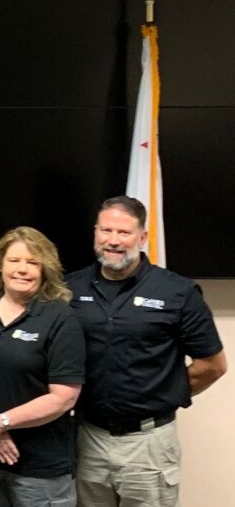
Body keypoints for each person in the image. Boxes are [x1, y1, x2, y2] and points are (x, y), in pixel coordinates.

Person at [66, 196, 227, 507]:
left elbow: (213, 365)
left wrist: (165, 390)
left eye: (124, 232)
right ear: (95, 232)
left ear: (142, 238)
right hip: (87, 437)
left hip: (148, 444)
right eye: (106, 230)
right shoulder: (71, 288)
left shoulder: (177, 291)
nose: (113, 241)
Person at [0, 227, 85, 507]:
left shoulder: (60, 318)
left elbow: (64, 398)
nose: (22, 270)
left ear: (45, 269)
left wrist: (1, 423)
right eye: (14, 260)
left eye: (32, 262)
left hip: (41, 468)